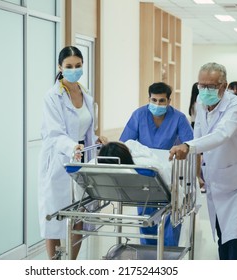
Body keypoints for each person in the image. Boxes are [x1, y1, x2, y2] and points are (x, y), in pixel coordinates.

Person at [168, 62, 237, 260]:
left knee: (235, 235)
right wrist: (197, 172)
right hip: (215, 180)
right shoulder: (201, 104)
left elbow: (221, 135)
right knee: (221, 234)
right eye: (201, 85)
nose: (205, 90)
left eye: (211, 86)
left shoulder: (236, 106)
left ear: (224, 86)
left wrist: (188, 146)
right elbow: (199, 135)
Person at [38, 46, 107, 260]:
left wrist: (96, 139)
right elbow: (55, 132)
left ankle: (71, 265)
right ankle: (54, 265)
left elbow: (86, 128)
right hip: (58, 158)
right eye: (69, 66)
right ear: (60, 67)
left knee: (79, 212)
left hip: (82, 158)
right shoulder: (53, 96)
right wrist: (71, 147)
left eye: (78, 66)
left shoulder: (86, 94)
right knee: (55, 214)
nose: (74, 70)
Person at [120, 82, 193, 247]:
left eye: (162, 101)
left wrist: (195, 176)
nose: (157, 104)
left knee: (172, 213)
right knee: (146, 214)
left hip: (169, 170)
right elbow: (126, 143)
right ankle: (148, 253)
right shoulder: (139, 115)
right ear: (148, 98)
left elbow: (190, 145)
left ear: (169, 101)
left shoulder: (179, 118)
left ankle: (169, 254)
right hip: (146, 171)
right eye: (154, 100)